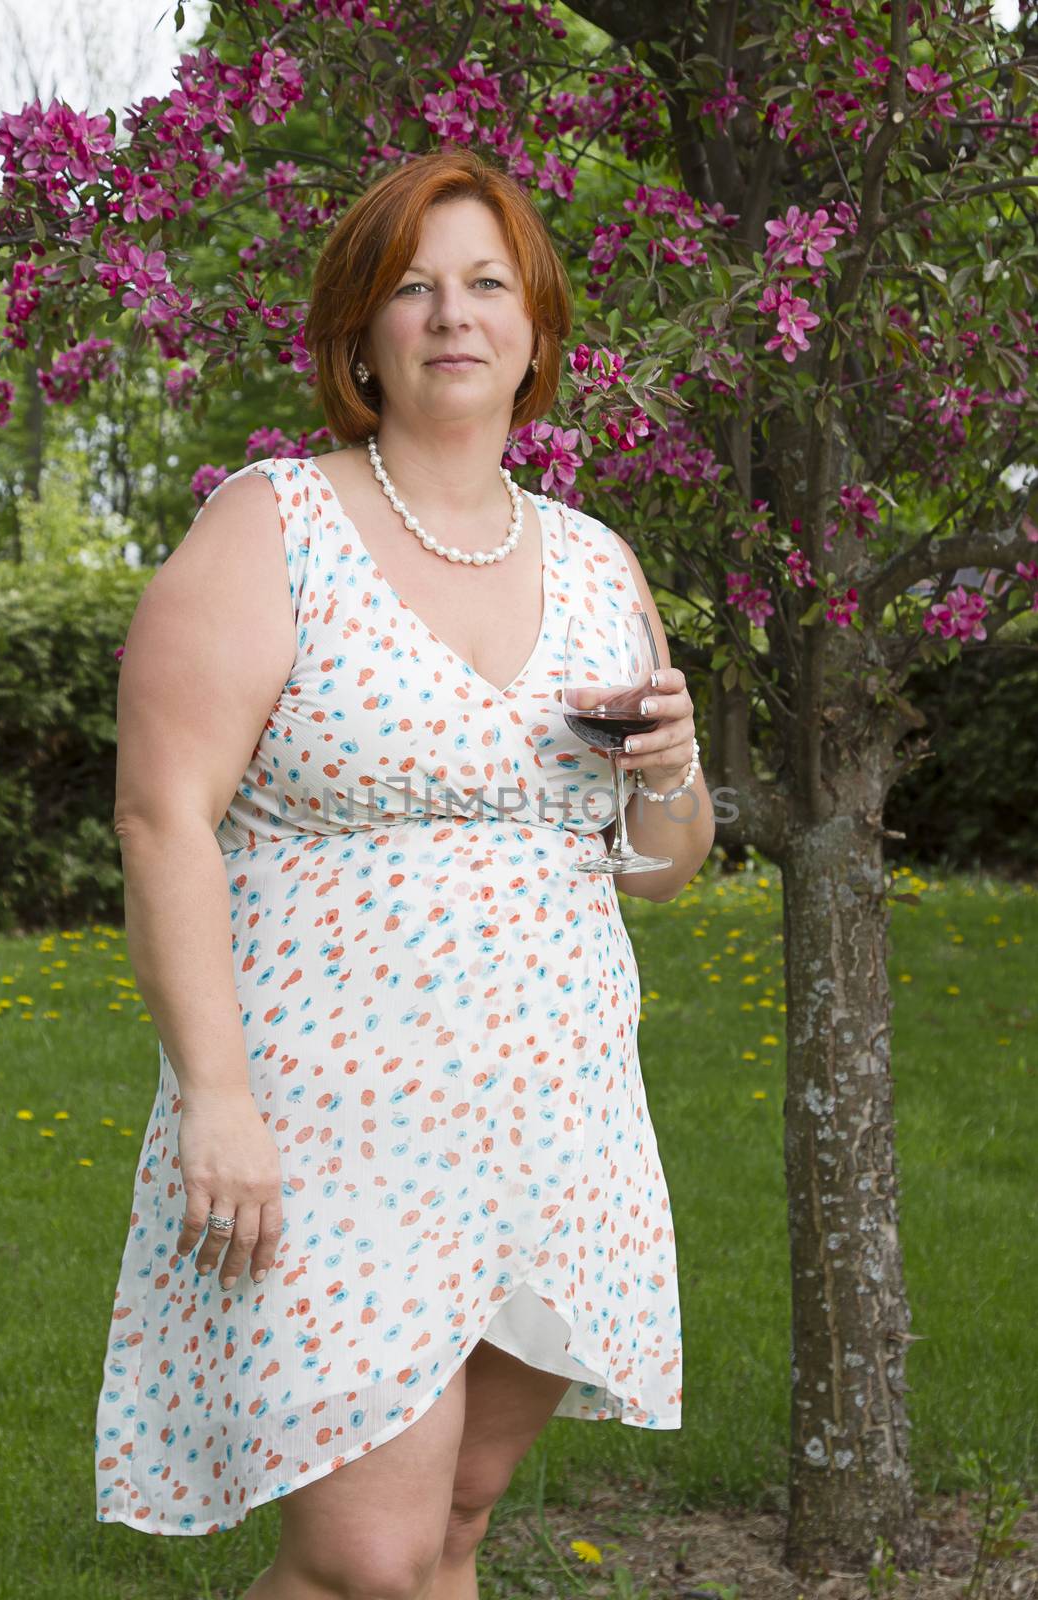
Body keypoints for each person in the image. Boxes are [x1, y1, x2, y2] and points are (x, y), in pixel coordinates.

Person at [94, 146, 713, 1597]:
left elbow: (663, 872)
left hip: (555, 1113)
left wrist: (675, 775)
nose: (453, 314)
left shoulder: (596, 561)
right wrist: (218, 1099)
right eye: (414, 288)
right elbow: (161, 816)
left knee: (455, 1527)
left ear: (538, 334)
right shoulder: (272, 528)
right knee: (365, 1556)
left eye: (487, 285)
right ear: (360, 333)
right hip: (332, 1119)